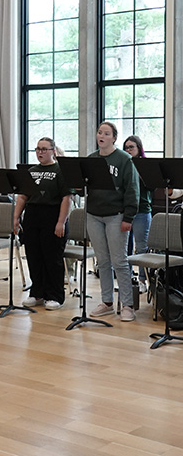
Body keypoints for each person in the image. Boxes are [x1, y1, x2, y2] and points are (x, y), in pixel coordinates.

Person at [86, 121, 140, 322]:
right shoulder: (91, 159)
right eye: (99, 132)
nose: (101, 136)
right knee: (103, 261)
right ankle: (107, 302)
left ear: (114, 138)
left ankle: (127, 305)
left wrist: (129, 217)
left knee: (119, 260)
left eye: (106, 133)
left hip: (116, 215)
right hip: (94, 214)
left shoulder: (124, 159)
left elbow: (132, 189)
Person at [13, 137, 73, 310]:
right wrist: (16, 217)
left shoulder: (60, 170)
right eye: (38, 149)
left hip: (53, 214)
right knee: (34, 256)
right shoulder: (32, 170)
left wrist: (61, 222)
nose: (40, 152)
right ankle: (37, 292)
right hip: (32, 215)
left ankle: (55, 295)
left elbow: (66, 198)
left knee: (52, 258)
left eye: (44, 149)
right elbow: (23, 196)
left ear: (53, 151)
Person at [123, 135, 151, 294]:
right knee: (125, 248)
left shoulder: (145, 165)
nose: (128, 150)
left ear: (139, 148)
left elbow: (152, 186)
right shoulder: (123, 164)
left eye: (131, 147)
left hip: (142, 210)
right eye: (126, 147)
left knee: (141, 248)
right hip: (126, 211)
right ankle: (127, 281)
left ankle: (142, 280)